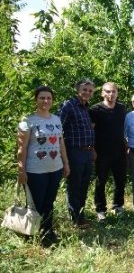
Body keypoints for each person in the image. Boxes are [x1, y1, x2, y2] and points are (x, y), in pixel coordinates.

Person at [17, 86, 70, 246]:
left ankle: (47, 232)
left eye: (49, 98)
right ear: (36, 99)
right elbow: (22, 148)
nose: (46, 101)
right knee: (35, 204)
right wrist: (21, 170)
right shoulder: (27, 121)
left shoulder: (56, 119)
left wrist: (66, 163)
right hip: (35, 171)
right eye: (42, 98)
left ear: (52, 101)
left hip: (55, 168)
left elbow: (61, 144)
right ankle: (30, 234)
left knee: (49, 202)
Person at [59, 78, 96, 228]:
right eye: (84, 90)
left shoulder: (86, 108)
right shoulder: (69, 105)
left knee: (84, 185)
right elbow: (58, 129)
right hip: (74, 152)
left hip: (87, 153)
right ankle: (75, 219)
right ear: (77, 90)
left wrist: (92, 150)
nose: (87, 93)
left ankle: (81, 215)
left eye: (90, 91)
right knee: (74, 186)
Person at [89, 82, 127, 221]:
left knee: (120, 180)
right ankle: (100, 209)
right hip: (102, 152)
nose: (111, 94)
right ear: (102, 93)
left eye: (113, 92)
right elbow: (91, 131)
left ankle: (118, 206)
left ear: (117, 93)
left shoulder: (122, 108)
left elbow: (124, 129)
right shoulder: (95, 110)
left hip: (119, 151)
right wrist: (92, 149)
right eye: (108, 91)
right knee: (101, 181)